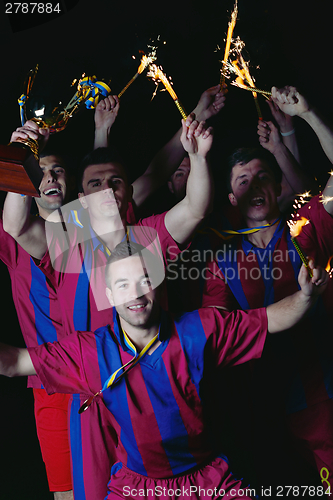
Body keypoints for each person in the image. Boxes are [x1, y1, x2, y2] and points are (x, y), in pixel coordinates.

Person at [0, 240, 328, 499]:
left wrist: (306, 297)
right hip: (138, 489)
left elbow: (270, 319)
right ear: (109, 295)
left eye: (144, 280)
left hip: (206, 480)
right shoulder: (90, 352)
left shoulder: (199, 330)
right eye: (124, 284)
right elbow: (14, 362)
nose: (137, 293)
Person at [3, 108, 216, 499]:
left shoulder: (146, 238)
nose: (107, 191)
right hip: (93, 394)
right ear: (81, 198)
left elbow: (195, 209)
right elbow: (16, 226)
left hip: (150, 391)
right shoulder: (66, 243)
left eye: (116, 182)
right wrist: (20, 156)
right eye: (96, 184)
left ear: (129, 191)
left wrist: (199, 157)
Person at [201, 86, 333, 491]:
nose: (254, 185)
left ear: (279, 189)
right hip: (265, 407)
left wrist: (309, 115)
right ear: (231, 196)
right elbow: (217, 334)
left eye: (263, 177)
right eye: (243, 180)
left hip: (322, 392)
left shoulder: (306, 227)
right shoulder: (219, 262)